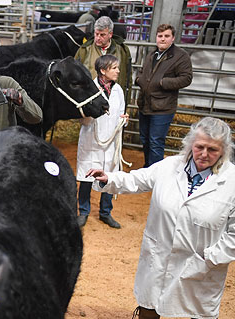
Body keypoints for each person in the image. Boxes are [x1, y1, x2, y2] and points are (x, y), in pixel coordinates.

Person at [86, 117, 235, 319]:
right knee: (151, 292)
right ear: (191, 144)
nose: (204, 154)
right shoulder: (170, 167)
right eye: (200, 147)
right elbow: (138, 179)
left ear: (223, 151)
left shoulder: (232, 182)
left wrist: (211, 257)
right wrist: (110, 179)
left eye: (213, 150)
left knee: (203, 310)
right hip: (161, 249)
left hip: (203, 262)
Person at [76, 55, 128, 229]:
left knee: (109, 177)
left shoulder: (119, 90)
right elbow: (81, 117)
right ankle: (83, 211)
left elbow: (121, 112)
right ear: (103, 71)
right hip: (91, 138)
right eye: (114, 68)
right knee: (86, 176)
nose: (118, 71)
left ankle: (106, 212)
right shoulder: (89, 88)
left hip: (111, 141)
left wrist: (124, 119)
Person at [136, 24, 193, 168]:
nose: (162, 39)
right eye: (160, 36)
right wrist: (139, 79)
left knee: (156, 142)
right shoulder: (151, 54)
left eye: (166, 36)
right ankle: (148, 169)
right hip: (145, 104)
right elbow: (142, 71)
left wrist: (163, 82)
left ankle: (156, 174)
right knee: (145, 139)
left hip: (163, 107)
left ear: (173, 38)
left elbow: (186, 78)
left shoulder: (180, 56)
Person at [75, 16, 132, 104]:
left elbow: (127, 78)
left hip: (113, 99)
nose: (98, 38)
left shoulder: (122, 50)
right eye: (96, 34)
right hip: (90, 101)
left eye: (102, 35)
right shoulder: (85, 50)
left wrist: (125, 103)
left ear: (110, 34)